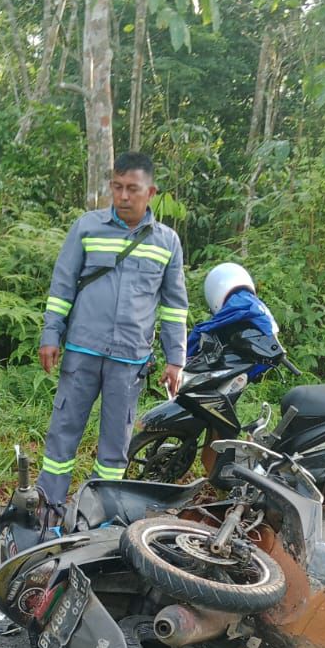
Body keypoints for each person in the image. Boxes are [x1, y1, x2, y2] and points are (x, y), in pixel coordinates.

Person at [36, 152, 187, 513]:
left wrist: (175, 359)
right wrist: (50, 335)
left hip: (129, 359)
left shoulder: (167, 242)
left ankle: (102, 514)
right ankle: (48, 506)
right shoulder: (87, 227)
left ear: (151, 192)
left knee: (115, 446)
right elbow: (62, 286)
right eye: (117, 187)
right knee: (63, 432)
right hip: (82, 351)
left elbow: (174, 305)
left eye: (132, 189)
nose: (122, 196)